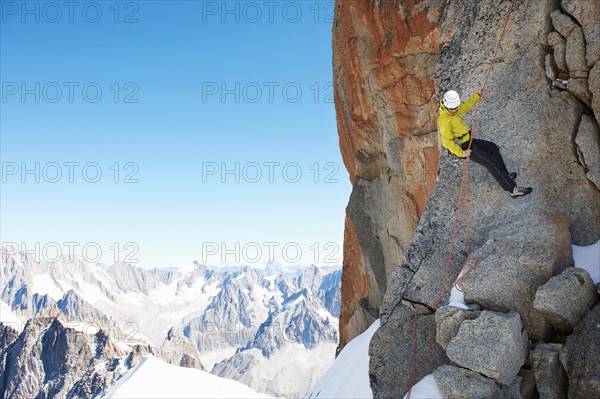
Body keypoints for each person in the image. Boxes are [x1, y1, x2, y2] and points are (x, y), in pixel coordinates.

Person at [438, 89, 533, 198]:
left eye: (456, 108)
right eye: (452, 109)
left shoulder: (453, 109)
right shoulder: (444, 120)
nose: (455, 110)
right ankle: (513, 189)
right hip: (465, 147)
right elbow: (447, 142)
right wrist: (462, 153)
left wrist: (477, 96)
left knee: (492, 148)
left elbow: (465, 107)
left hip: (469, 140)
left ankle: (505, 175)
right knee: (490, 162)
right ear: (446, 106)